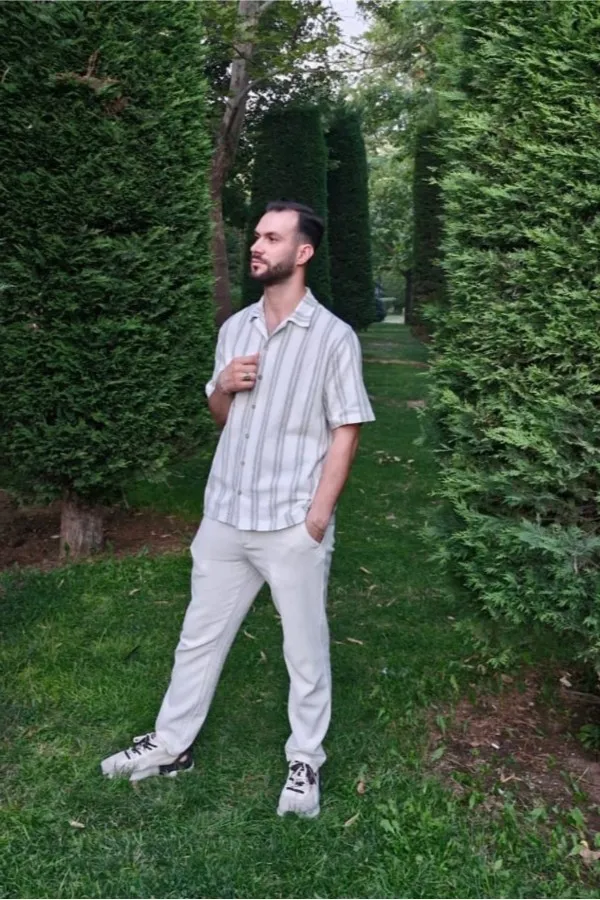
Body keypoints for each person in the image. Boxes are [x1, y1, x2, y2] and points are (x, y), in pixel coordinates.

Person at [101, 200, 375, 819]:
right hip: (226, 514)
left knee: (304, 649)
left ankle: (304, 760)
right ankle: (170, 746)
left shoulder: (333, 337)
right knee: (197, 639)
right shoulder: (236, 329)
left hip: (290, 521)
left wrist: (316, 519)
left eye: (271, 238)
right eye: (257, 236)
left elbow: (347, 431)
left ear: (302, 253)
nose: (256, 245)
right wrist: (223, 386)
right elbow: (221, 417)